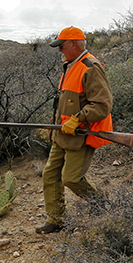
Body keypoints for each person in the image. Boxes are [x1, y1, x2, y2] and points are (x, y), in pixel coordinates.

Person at [36, 26, 113, 234]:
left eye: (61, 46)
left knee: (71, 179)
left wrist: (77, 120)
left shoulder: (90, 67)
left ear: (73, 44)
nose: (59, 50)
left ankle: (102, 204)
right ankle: (56, 219)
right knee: (50, 175)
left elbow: (102, 105)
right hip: (62, 134)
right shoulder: (71, 65)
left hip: (80, 135)